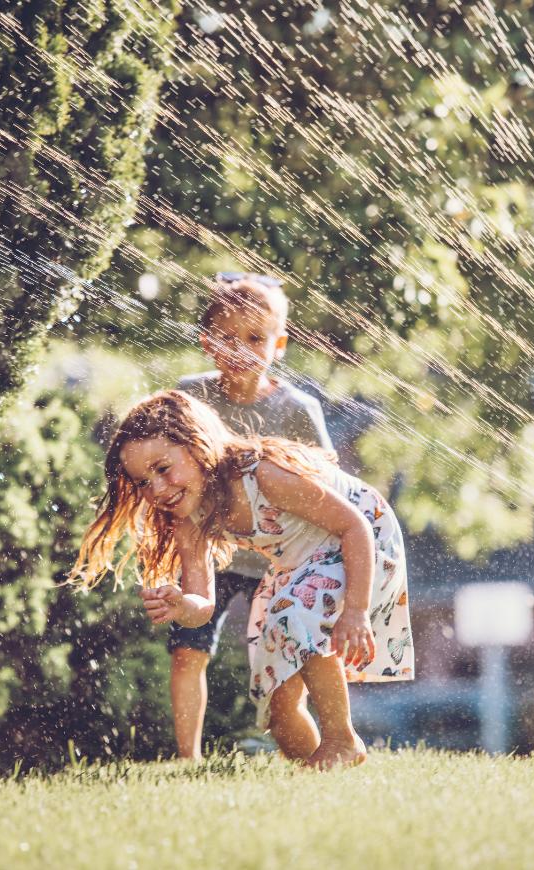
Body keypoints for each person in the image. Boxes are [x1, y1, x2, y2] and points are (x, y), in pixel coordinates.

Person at [70, 390, 414, 769]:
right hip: (297, 566)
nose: (158, 490)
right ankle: (321, 768)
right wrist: (183, 604)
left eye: (163, 469)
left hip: (362, 542)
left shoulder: (261, 476)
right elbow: (203, 605)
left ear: (196, 445)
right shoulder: (188, 520)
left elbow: (355, 526)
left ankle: (341, 739)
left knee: (293, 615)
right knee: (276, 698)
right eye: (142, 482)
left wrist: (356, 611)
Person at [166, 272, 334, 760]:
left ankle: (323, 744)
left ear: (279, 345)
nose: (241, 348)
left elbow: (325, 482)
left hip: (278, 564)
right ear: (207, 342)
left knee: (295, 664)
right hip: (211, 552)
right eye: (227, 336)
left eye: (256, 338)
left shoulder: (297, 409)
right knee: (187, 651)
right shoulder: (190, 396)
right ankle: (187, 759)